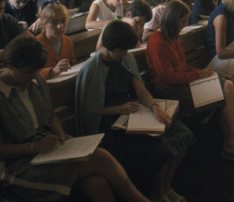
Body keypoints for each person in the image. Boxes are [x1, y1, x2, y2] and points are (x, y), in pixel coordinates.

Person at [0, 35, 152, 202]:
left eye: (36, 71)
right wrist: (32, 147)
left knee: (97, 184)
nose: (32, 77)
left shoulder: (36, 79)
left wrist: (61, 135)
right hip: (17, 167)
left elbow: (50, 115)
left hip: (46, 150)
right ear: (10, 65)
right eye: (27, 72)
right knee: (101, 158)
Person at [75, 20, 195, 201]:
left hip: (132, 113)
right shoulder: (92, 68)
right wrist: (119, 108)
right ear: (110, 46)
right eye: (122, 50)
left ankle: (166, 186)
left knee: (182, 133)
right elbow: (89, 112)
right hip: (110, 126)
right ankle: (158, 193)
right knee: (157, 147)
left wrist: (154, 108)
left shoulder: (125, 59)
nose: (125, 54)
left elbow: (139, 87)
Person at [146, 0, 234, 160]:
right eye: (182, 21)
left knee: (227, 85)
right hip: (169, 90)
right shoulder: (157, 41)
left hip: (182, 82)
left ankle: (232, 140)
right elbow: (168, 77)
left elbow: (182, 67)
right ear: (172, 19)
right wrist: (197, 75)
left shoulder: (174, 38)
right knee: (225, 92)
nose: (185, 25)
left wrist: (201, 72)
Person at [36, 2, 77, 80]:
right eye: (53, 22)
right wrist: (52, 72)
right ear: (43, 25)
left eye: (63, 21)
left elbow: (73, 64)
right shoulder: (35, 45)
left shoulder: (67, 41)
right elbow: (31, 73)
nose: (59, 26)